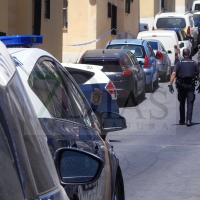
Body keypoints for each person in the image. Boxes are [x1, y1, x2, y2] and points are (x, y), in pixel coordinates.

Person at [168, 48, 200, 126]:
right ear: (189, 54)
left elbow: (173, 74)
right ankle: (188, 120)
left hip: (181, 86)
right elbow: (199, 75)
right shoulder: (194, 63)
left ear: (182, 55)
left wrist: (170, 84)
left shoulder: (179, 63)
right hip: (190, 86)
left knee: (182, 102)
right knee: (190, 103)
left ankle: (182, 120)